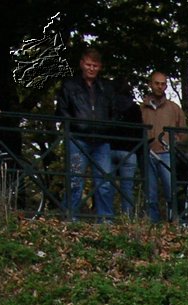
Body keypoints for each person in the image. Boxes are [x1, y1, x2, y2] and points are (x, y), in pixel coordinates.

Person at [55, 48, 122, 221]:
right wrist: (74, 126)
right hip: (78, 139)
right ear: (81, 64)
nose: (91, 68)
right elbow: (62, 110)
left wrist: (106, 128)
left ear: (100, 67)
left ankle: (105, 219)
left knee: (105, 181)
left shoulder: (106, 87)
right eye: (88, 64)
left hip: (101, 140)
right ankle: (70, 216)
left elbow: (114, 112)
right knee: (75, 179)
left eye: (95, 65)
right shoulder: (70, 85)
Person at [140, 71, 188, 222]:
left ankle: (174, 221)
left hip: (167, 154)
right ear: (150, 84)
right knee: (151, 193)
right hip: (148, 154)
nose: (160, 87)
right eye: (157, 83)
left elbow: (184, 131)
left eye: (163, 84)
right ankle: (152, 224)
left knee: (171, 191)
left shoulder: (174, 108)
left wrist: (177, 141)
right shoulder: (142, 108)